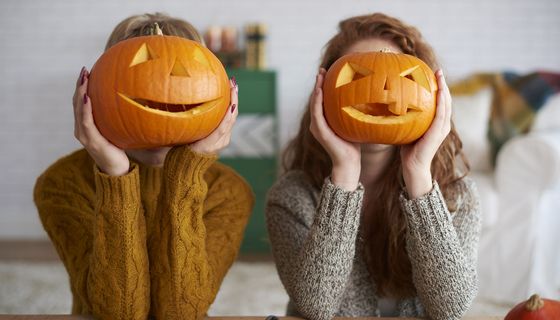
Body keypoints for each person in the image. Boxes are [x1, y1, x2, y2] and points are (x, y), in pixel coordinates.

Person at [34, 13, 254, 320]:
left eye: (190, 69)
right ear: (94, 91)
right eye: (141, 63)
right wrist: (115, 175)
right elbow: (119, 312)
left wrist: (186, 172)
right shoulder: (62, 183)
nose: (168, 88)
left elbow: (180, 312)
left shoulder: (228, 192)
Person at [266, 13, 480, 320]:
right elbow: (316, 307)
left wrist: (419, 173)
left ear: (434, 99)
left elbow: (451, 308)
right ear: (323, 96)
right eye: (357, 78)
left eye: (402, 80)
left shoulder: (458, 196)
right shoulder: (292, 197)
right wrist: (344, 171)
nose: (381, 94)